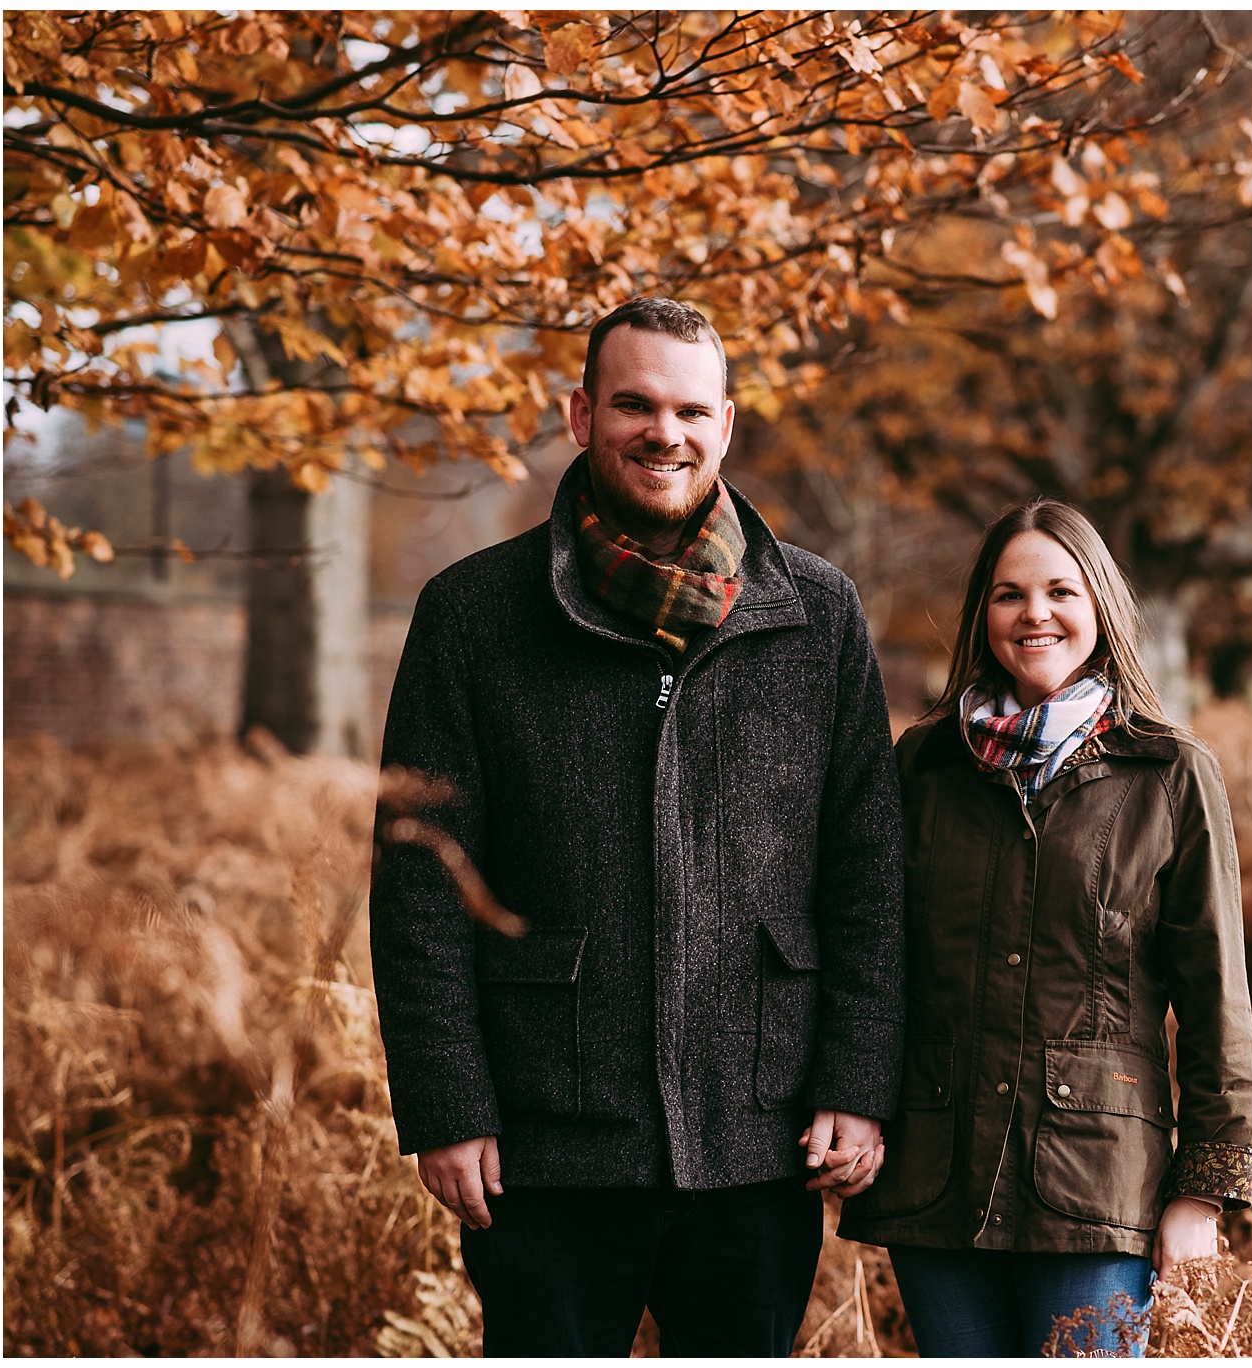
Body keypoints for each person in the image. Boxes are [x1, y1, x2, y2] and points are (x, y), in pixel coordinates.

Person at [370, 297, 905, 1356]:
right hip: (546, 1144)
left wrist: (856, 1081)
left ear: (727, 425)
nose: (666, 432)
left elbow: (869, 871)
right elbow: (422, 881)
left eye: (690, 409)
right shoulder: (472, 612)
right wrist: (445, 1106)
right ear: (579, 415)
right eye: (634, 405)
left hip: (763, 1141)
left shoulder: (819, 613)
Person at [839, 499, 1252, 1356]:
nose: (1035, 613)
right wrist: (853, 1102)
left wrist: (1202, 1194)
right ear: (981, 615)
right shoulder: (922, 764)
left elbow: (1218, 1004)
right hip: (938, 1177)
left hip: (1100, 1185)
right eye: (1008, 594)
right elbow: (873, 955)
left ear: (1098, 604)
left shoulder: (1170, 774)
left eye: (1060, 590)